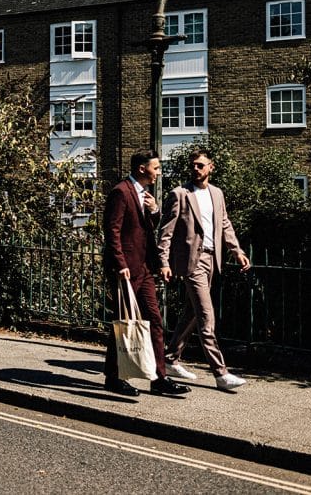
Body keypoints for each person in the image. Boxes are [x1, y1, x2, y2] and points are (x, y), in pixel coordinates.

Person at [158, 149, 252, 391]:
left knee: (191, 311)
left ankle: (170, 359)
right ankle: (220, 373)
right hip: (192, 262)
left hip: (212, 259)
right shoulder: (179, 194)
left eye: (201, 165)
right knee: (205, 315)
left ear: (211, 167)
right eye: (193, 165)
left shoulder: (217, 194)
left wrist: (237, 251)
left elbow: (224, 224)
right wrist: (164, 262)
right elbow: (165, 232)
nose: (196, 169)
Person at [102, 150, 189, 397]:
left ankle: (159, 379)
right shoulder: (121, 192)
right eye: (156, 168)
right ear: (142, 168)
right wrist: (120, 264)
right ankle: (113, 377)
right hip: (126, 270)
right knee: (124, 324)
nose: (158, 173)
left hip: (144, 268)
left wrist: (154, 211)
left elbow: (146, 229)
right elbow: (112, 231)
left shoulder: (145, 195)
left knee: (154, 321)